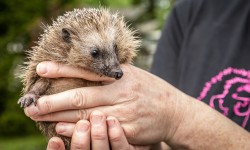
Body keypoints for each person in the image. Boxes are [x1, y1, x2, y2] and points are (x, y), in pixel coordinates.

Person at [24, 0, 250, 149]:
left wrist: (175, 117)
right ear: (67, 43)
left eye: (113, 50)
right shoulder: (189, 13)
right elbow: (153, 132)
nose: (115, 67)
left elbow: (162, 116)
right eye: (95, 53)